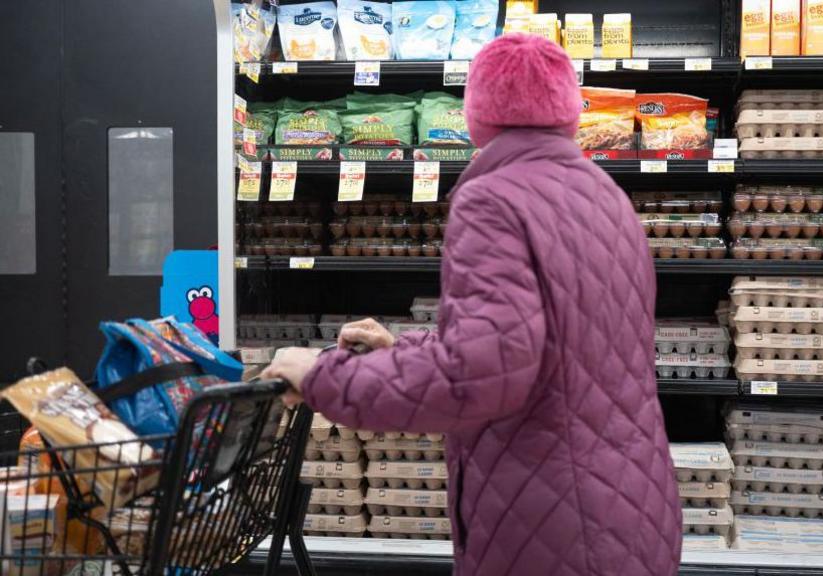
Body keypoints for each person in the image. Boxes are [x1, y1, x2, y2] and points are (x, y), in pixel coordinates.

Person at [263, 33, 681, 576]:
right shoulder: (607, 197)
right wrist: (404, 350)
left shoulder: (493, 199)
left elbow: (481, 376)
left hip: (549, 526)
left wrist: (322, 376)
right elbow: (553, 348)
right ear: (569, 110)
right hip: (631, 506)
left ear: (477, 114)